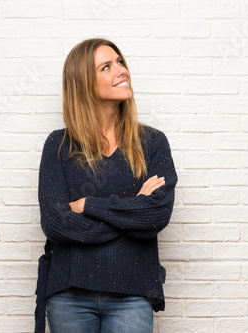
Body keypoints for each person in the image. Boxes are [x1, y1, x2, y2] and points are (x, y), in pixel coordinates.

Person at [36, 38, 178, 333]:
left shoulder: (152, 143)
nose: (121, 70)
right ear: (84, 83)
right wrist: (132, 209)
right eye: (107, 66)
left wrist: (88, 205)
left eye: (120, 62)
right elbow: (55, 223)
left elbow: (155, 217)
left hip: (132, 294)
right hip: (69, 295)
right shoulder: (58, 145)